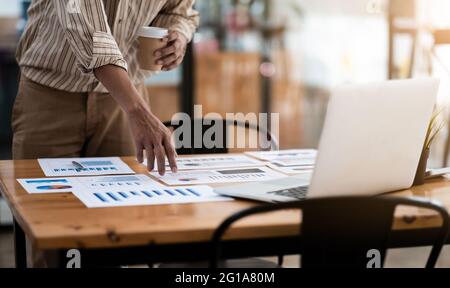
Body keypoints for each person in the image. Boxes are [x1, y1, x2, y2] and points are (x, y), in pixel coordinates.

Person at [13, 0, 199, 176]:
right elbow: (86, 26)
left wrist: (178, 36)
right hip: (50, 90)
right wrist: (138, 111)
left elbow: (179, 11)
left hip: (123, 99)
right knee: (42, 203)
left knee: (125, 201)